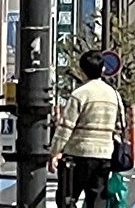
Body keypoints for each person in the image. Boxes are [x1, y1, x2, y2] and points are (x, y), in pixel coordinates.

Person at [48, 51, 124, 208]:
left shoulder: (80, 94)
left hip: (78, 154)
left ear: (82, 70)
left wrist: (54, 152)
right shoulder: (114, 95)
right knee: (97, 200)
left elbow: (65, 127)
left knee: (66, 197)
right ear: (102, 69)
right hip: (104, 154)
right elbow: (121, 124)